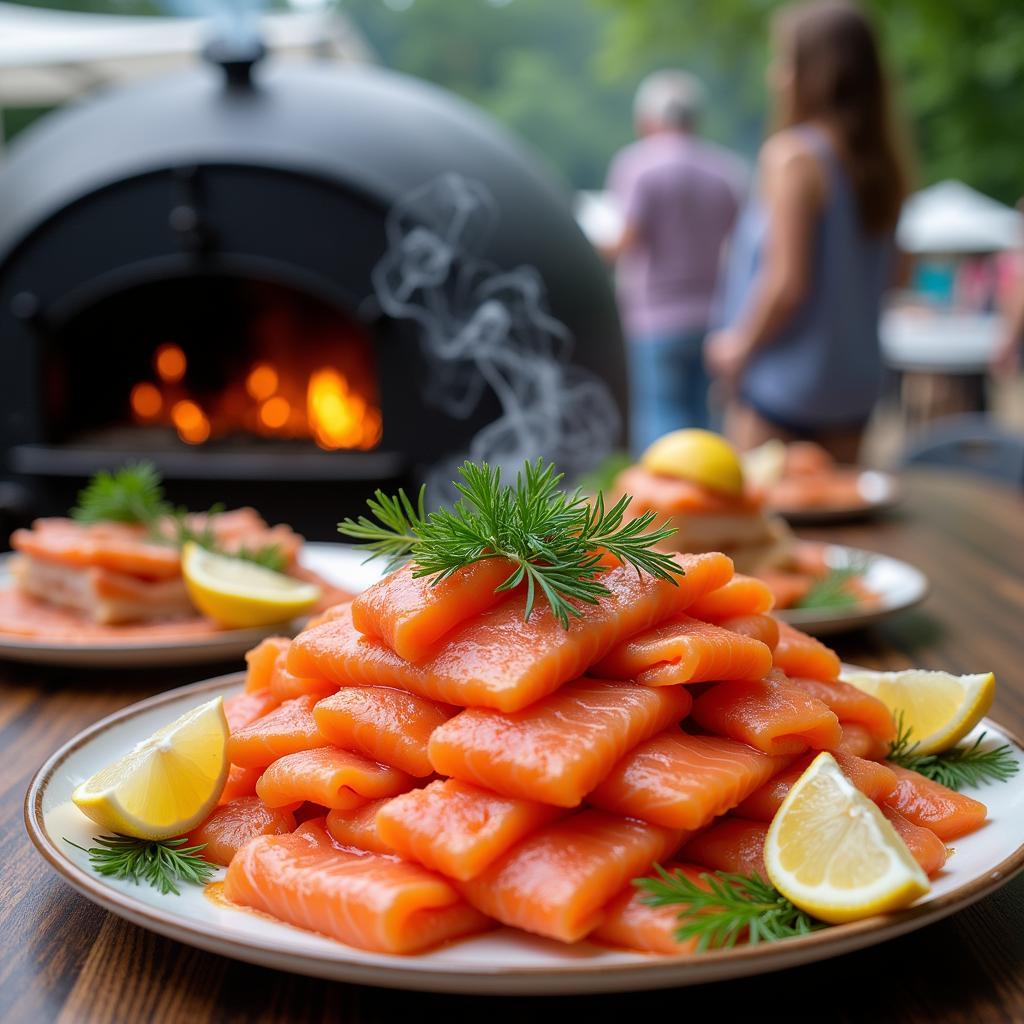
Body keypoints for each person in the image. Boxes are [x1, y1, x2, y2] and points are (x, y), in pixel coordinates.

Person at [707, 0, 911, 462]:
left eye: (784, 61)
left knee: (763, 528)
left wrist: (737, 348)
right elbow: (896, 277)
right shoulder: (883, 168)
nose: (774, 76)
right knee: (840, 523)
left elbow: (787, 284)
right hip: (855, 392)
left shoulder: (795, 158)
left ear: (817, 72)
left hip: (783, 391)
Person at [605, 69, 746, 452]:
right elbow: (743, 249)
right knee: (705, 425)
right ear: (695, 119)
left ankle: (664, 513)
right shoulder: (726, 171)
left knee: (660, 423)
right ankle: (710, 509)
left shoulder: (638, 165)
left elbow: (627, 242)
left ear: (647, 120)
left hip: (654, 321)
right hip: (714, 318)